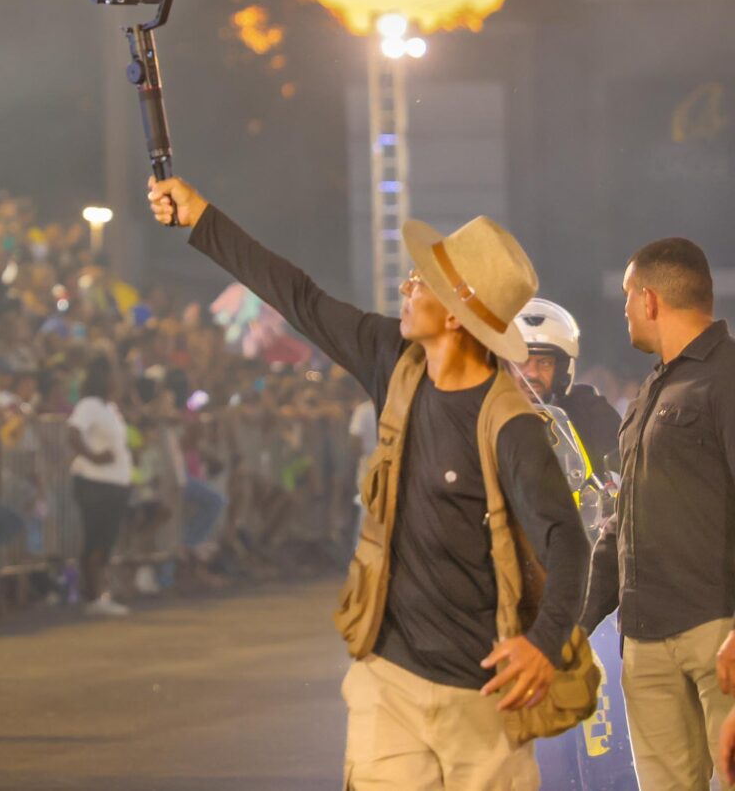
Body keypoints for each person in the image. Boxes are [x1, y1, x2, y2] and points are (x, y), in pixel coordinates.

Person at [151, 177, 593, 788]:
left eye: (421, 283)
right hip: (389, 682)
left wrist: (543, 644)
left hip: (484, 697)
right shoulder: (392, 359)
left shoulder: (511, 426)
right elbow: (299, 297)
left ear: (457, 313)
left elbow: (567, 543)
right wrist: (200, 217)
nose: (407, 288)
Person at [583, 237, 734, 791]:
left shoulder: (728, 377)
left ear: (649, 299)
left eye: (628, 296)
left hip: (718, 633)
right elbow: (625, 520)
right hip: (646, 640)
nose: (624, 309)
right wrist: (577, 625)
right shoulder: (652, 389)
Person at [513, 299, 622, 478]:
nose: (532, 373)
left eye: (545, 363)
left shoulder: (589, 411)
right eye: (521, 362)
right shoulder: (483, 414)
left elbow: (626, 470)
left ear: (561, 370)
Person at [67, 354, 135, 617]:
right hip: (95, 482)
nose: (118, 379)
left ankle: (98, 593)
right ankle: (94, 596)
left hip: (113, 483)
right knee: (96, 539)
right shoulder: (90, 405)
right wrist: (93, 456)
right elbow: (73, 433)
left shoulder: (110, 407)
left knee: (105, 540)